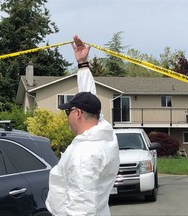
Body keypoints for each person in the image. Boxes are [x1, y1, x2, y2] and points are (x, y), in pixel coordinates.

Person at [45, 35, 120, 216]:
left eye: (67, 112)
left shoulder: (84, 155)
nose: (66, 117)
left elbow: (81, 208)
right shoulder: (103, 134)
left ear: (77, 113)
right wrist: (82, 64)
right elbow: (89, 95)